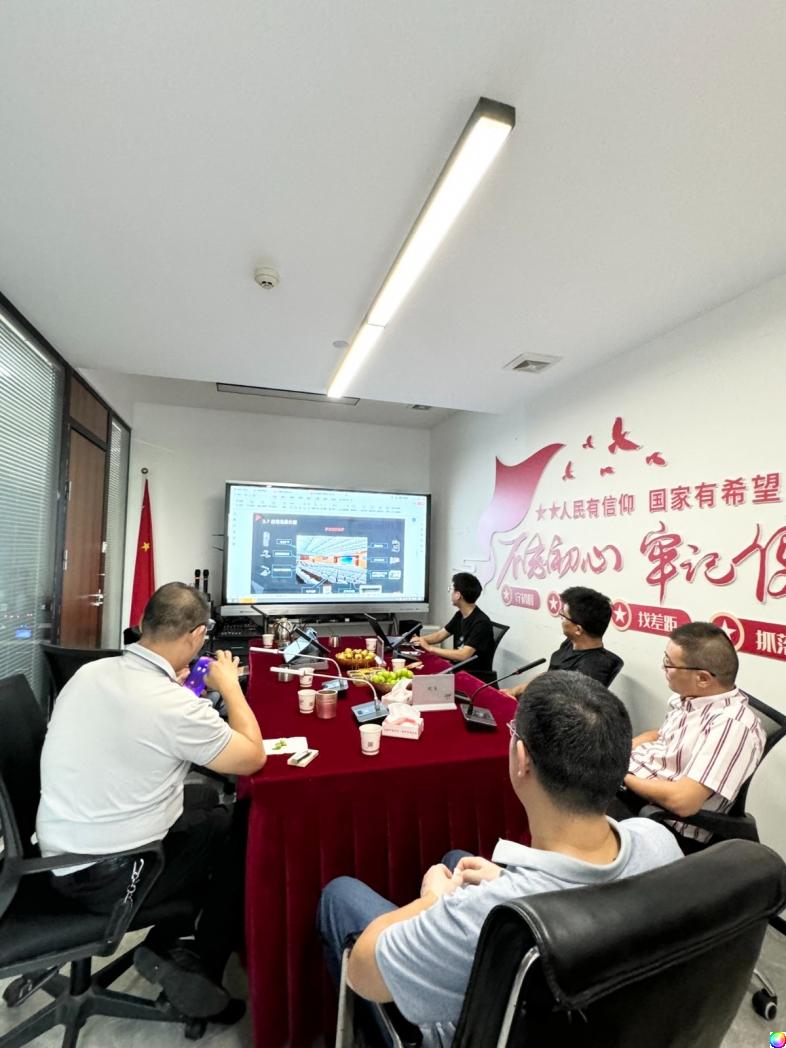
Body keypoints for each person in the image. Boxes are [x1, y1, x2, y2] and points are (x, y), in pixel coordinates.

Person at [318, 671, 682, 1047]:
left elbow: (362, 972)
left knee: (339, 894)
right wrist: (504, 879)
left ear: (522, 759)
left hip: (470, 1031)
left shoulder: (487, 917)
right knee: (457, 859)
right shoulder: (658, 841)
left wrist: (434, 901)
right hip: (605, 1025)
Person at [36, 581, 266, 1021]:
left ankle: (174, 940)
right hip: (110, 877)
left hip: (56, 855)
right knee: (243, 823)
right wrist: (231, 687)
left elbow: (143, 729)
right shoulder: (173, 706)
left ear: (143, 623)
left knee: (204, 797)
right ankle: (197, 965)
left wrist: (183, 694)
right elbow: (251, 758)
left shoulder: (92, 673)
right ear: (197, 636)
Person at [613, 621, 765, 853]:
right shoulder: (691, 698)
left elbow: (683, 801)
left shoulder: (731, 726)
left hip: (662, 821)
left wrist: (620, 775)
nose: (663, 668)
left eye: (669, 664)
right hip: (632, 783)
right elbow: (660, 735)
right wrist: (620, 750)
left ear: (703, 678)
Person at [502, 585, 621, 698]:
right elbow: (549, 676)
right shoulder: (572, 642)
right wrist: (514, 691)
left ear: (578, 630)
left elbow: (568, 707)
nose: (561, 618)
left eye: (563, 616)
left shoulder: (591, 671)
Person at [412, 571, 496, 682]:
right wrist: (419, 640)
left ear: (458, 595)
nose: (450, 593)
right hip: (457, 668)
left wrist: (429, 648)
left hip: (473, 676)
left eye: (451, 590)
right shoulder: (460, 615)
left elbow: (463, 655)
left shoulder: (481, 623)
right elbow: (439, 635)